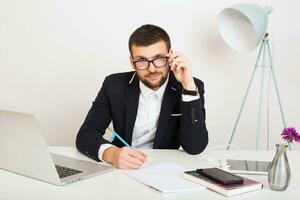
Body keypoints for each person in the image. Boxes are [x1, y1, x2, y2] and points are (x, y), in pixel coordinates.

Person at [76, 24, 208, 169]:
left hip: (165, 168)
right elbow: (85, 134)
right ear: (132, 62)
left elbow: (195, 147)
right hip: (122, 169)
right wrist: (112, 154)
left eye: (158, 58)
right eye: (142, 61)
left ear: (170, 56)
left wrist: (188, 88)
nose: (152, 69)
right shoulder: (114, 85)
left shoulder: (190, 86)